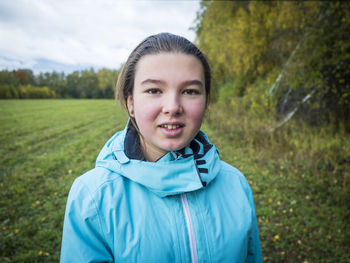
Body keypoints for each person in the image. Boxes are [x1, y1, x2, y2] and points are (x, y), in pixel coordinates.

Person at [60, 32, 262, 262]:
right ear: (131, 102)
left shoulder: (236, 185)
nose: (173, 107)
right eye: (154, 90)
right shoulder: (92, 197)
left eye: (190, 91)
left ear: (206, 101)